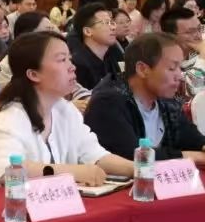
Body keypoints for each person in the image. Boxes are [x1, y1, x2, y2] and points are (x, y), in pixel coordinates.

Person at [0, 32, 133, 191]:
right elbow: (9, 170)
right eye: (62, 60)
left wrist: (138, 169)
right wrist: (74, 172)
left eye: (69, 59)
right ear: (33, 74)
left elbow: (96, 155)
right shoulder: (7, 121)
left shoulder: (65, 110)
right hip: (1, 207)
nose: (72, 67)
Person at [84, 33, 205, 163]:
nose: (180, 76)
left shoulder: (167, 102)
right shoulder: (107, 103)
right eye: (172, 68)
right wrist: (189, 156)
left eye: (180, 67)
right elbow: (131, 155)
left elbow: (193, 139)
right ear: (142, 69)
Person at [69, 3, 122, 91]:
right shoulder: (78, 65)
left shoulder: (110, 57)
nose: (113, 27)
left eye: (112, 22)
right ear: (88, 31)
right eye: (106, 23)